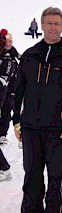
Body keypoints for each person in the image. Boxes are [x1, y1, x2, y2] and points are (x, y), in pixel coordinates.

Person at [13, 7, 62, 213]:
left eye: (57, 24)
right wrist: (17, 122)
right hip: (31, 126)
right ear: (41, 25)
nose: (53, 27)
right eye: (49, 23)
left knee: (57, 175)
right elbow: (19, 91)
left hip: (57, 128)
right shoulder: (30, 55)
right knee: (31, 173)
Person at [0, 29, 16, 182]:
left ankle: (4, 168)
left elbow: (4, 80)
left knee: (6, 113)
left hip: (7, 94)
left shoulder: (9, 59)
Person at [0, 31, 19, 145]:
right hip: (3, 87)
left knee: (7, 111)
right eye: (7, 41)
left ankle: (2, 134)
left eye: (10, 41)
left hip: (11, 88)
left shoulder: (15, 54)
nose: (9, 43)